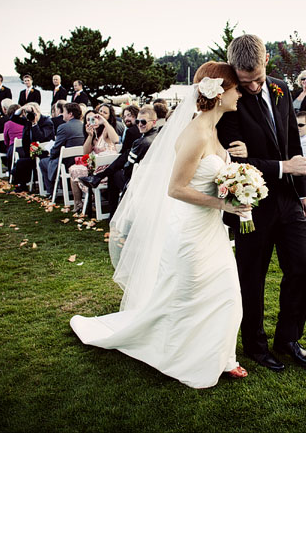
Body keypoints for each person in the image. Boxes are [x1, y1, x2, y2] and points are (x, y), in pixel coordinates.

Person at [70, 63, 252, 388]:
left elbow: (213, 174)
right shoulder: (196, 134)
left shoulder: (214, 130)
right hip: (190, 233)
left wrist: (234, 172)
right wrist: (224, 204)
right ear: (220, 92)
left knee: (227, 295)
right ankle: (180, 356)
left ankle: (223, 357)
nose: (240, 93)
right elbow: (176, 188)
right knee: (187, 299)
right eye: (236, 88)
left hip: (211, 231)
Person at [216, 34, 306, 372]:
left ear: (267, 62)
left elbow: (292, 141)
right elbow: (231, 162)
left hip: (289, 199)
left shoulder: (279, 87)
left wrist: (302, 192)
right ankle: (255, 344)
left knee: (300, 268)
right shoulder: (227, 99)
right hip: (250, 203)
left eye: (259, 77)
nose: (255, 85)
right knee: (252, 275)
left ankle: (288, 339)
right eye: (247, 81)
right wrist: (279, 167)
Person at [81, 105, 162, 216]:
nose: (139, 124)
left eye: (143, 122)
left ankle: (114, 213)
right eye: (138, 121)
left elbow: (129, 169)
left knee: (114, 175)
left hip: (138, 180)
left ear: (154, 122)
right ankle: (98, 178)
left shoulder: (141, 142)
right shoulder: (159, 136)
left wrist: (120, 170)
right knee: (123, 158)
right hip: (153, 178)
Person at [39, 103, 86, 194]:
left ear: (70, 114)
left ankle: (51, 192)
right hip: (81, 160)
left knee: (42, 162)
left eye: (64, 112)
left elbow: (56, 148)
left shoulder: (63, 127)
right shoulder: (84, 125)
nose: (62, 115)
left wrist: (51, 154)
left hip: (66, 162)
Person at [10, 103, 55, 192]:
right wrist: (22, 108)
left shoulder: (47, 122)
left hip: (43, 154)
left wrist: (34, 124)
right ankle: (22, 185)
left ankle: (22, 186)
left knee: (20, 163)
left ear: (38, 112)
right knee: (19, 164)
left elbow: (41, 137)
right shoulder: (28, 120)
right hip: (30, 153)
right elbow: (13, 118)